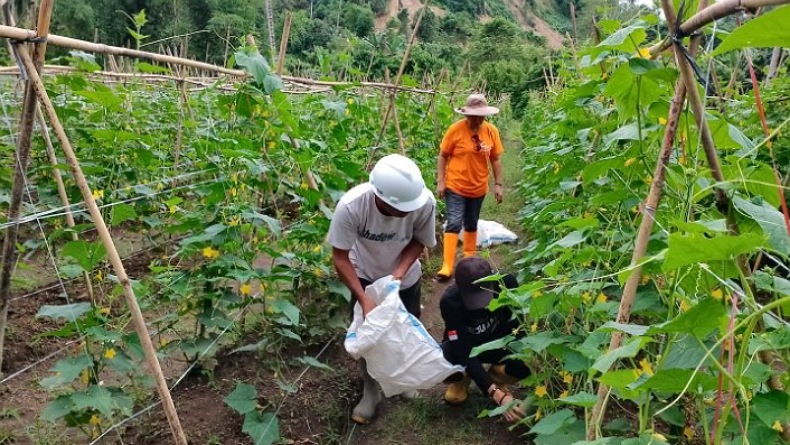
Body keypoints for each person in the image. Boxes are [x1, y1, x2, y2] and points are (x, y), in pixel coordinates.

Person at [327, 153, 437, 424]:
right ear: (382, 199)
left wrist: (398, 275)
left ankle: (403, 380)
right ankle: (371, 389)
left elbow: (420, 240)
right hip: (363, 274)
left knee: (405, 326)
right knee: (368, 334)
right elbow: (340, 257)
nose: (408, 212)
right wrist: (364, 298)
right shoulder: (352, 207)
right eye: (403, 209)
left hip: (404, 276)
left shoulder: (423, 203)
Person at [440, 257, 531, 423]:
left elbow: (517, 328)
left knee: (525, 362)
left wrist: (493, 385)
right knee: (442, 358)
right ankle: (463, 380)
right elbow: (462, 350)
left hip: (499, 343)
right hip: (469, 347)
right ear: (458, 287)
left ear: (492, 279)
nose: (482, 306)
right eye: (473, 299)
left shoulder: (507, 283)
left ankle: (497, 377)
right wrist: (494, 392)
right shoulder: (450, 302)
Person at [436, 93, 505, 280]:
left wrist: (498, 184)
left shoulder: (491, 132)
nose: (476, 119)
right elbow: (443, 156)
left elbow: (496, 159)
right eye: (473, 115)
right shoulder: (455, 130)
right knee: (454, 222)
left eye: (480, 115)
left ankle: (469, 261)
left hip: (478, 187)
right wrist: (441, 181)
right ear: (466, 114)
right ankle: (447, 266)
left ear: (485, 115)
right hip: (455, 185)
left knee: (471, 222)